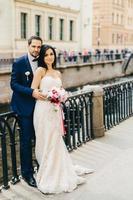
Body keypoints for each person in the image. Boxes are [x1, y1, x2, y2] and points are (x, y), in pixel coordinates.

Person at [31, 44, 94, 194]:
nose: (49, 57)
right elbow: (33, 91)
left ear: (54, 56)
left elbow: (61, 90)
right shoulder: (40, 71)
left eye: (51, 54)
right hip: (43, 110)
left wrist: (61, 96)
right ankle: (47, 171)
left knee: (56, 140)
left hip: (55, 111)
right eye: (46, 55)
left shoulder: (58, 73)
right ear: (42, 57)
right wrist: (50, 96)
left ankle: (58, 170)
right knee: (45, 141)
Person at [10, 36, 45, 187]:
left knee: (40, 139)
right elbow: (14, 85)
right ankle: (27, 174)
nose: (36, 49)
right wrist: (31, 92)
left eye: (39, 47)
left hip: (41, 108)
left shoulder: (42, 62)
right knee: (25, 142)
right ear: (28, 46)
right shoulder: (19, 62)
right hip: (24, 108)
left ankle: (42, 168)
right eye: (34, 46)